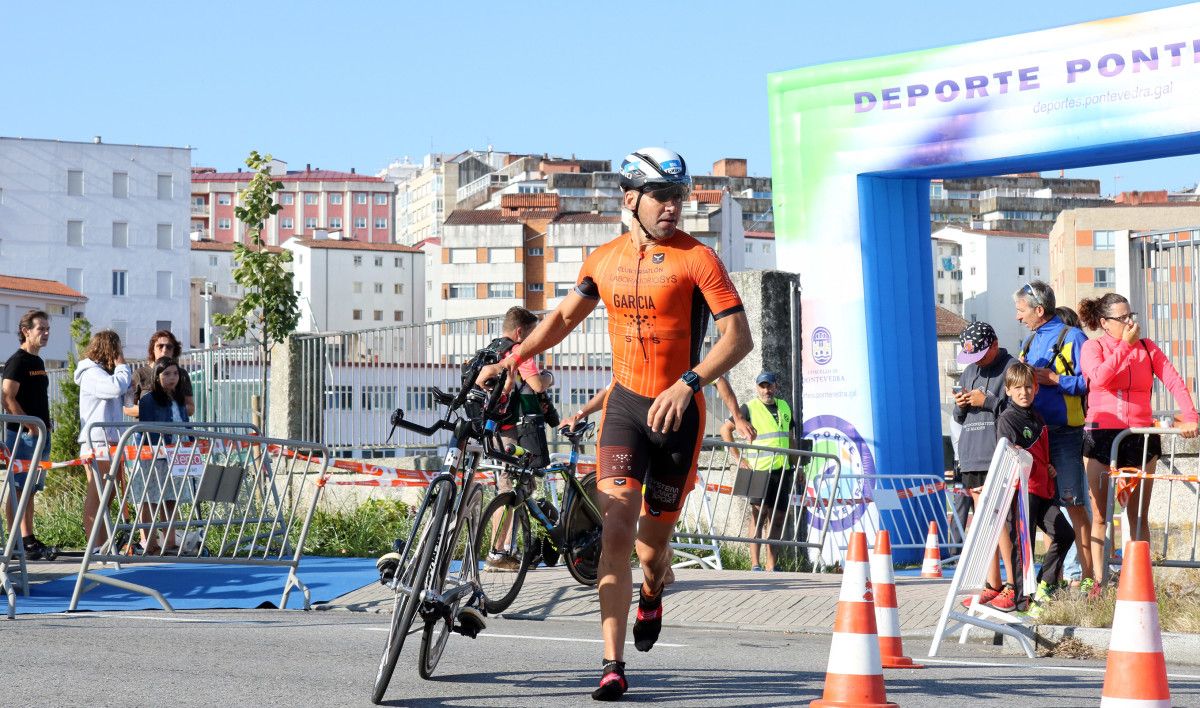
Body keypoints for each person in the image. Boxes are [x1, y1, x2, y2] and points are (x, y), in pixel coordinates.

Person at [476, 146, 752, 701]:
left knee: (652, 550)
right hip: (626, 409)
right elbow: (560, 320)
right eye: (662, 198)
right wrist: (512, 358)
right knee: (617, 533)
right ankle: (611, 662)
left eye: (680, 197)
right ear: (631, 200)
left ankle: (652, 594)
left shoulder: (698, 259)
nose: (674, 208)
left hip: (678, 413)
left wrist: (689, 382)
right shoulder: (602, 259)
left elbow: (738, 339)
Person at [1078, 293, 1199, 585]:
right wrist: (1124, 346)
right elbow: (1100, 378)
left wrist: (1191, 415)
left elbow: (1173, 380)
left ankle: (1139, 582)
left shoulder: (1147, 347)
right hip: (1101, 436)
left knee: (1139, 517)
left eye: (1131, 315)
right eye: (1123, 318)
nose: (1130, 322)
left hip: (1141, 437)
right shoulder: (1093, 347)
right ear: (1106, 323)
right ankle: (1098, 582)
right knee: (1100, 516)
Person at [1014, 280, 1093, 593]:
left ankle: (1086, 578)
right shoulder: (1030, 341)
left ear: (1038, 309)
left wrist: (1055, 380)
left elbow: (1092, 382)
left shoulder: (1074, 337)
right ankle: (1054, 579)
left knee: (1073, 503)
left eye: (1021, 311)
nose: (1018, 317)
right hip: (1037, 437)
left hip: (1065, 435)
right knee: (1049, 510)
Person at [995, 362, 1075, 616]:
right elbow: (1009, 452)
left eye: (1028, 387)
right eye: (1017, 388)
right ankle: (1022, 603)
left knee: (1064, 534)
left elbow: (1039, 452)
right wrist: (1021, 457)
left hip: (1043, 488)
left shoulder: (1037, 416)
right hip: (1021, 492)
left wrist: (1048, 466)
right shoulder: (1008, 418)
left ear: (1036, 388)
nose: (1023, 392)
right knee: (1023, 546)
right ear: (1008, 390)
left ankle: (1045, 584)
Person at [952, 321, 1018, 611]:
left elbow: (1019, 410)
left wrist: (988, 400)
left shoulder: (1011, 367)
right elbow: (958, 417)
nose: (976, 362)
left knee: (1001, 519)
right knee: (982, 523)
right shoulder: (970, 371)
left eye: (980, 354)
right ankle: (993, 584)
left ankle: (1014, 584)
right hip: (972, 454)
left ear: (994, 344)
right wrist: (962, 404)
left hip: (998, 453)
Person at [484, 306, 554, 572]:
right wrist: (549, 376)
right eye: (532, 335)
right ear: (520, 331)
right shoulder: (518, 351)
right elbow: (536, 385)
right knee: (509, 490)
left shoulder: (492, 349)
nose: (534, 341)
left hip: (492, 430)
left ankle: (506, 549)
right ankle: (497, 553)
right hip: (512, 430)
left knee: (514, 488)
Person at [719, 371, 796, 572]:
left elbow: (790, 437)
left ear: (775, 387)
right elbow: (724, 430)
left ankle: (772, 564)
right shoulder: (749, 407)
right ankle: (755, 564)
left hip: (782, 470)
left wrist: (797, 465)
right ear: (757, 388)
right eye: (762, 386)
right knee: (758, 516)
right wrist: (739, 459)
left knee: (778, 517)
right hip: (759, 471)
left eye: (769, 386)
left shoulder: (785, 406)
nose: (766, 390)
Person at [1, 310, 54, 559]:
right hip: (23, 436)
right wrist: (29, 426)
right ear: (26, 331)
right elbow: (6, 397)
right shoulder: (18, 361)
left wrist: (42, 428)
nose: (45, 333)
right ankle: (15, 541)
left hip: (41, 435)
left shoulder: (39, 362)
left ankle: (27, 539)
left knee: (30, 490)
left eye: (47, 329)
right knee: (18, 489)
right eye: (40, 329)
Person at [76, 330, 132, 547]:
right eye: (117, 349)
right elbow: (114, 388)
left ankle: (103, 544)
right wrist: (121, 367)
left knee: (107, 497)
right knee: (97, 495)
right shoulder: (91, 373)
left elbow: (123, 397)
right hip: (97, 443)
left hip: (109, 442)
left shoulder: (104, 373)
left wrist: (129, 386)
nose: (120, 354)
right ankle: (95, 546)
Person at [134, 357, 192, 553]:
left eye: (175, 373)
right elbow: (144, 430)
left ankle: (169, 541)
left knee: (171, 498)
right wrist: (155, 449)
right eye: (166, 374)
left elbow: (185, 423)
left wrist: (192, 442)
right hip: (155, 457)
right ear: (157, 376)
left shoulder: (179, 399)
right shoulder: (148, 400)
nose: (172, 378)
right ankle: (149, 543)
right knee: (151, 498)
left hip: (177, 455)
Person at [123, 330, 195, 419]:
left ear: (174, 350)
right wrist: (154, 410)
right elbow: (127, 408)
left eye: (169, 347)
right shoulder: (138, 373)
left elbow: (191, 408)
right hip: (147, 430)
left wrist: (170, 410)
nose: (164, 350)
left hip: (175, 429)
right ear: (153, 349)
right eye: (160, 346)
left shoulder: (182, 374)